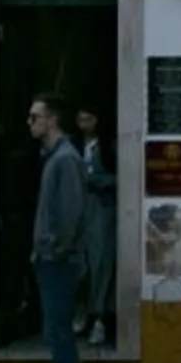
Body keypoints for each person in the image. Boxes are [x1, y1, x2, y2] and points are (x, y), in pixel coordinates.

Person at [26, 92, 87, 363]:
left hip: (59, 260)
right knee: (54, 329)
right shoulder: (52, 157)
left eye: (35, 117)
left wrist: (56, 249)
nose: (30, 123)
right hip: (49, 256)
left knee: (58, 330)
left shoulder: (66, 159)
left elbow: (70, 212)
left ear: (51, 120)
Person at [73, 105, 117, 350]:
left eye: (88, 118)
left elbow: (123, 177)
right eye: (80, 119)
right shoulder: (72, 147)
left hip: (101, 211)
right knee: (80, 267)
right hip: (78, 212)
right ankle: (82, 311)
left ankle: (99, 317)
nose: (84, 124)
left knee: (101, 265)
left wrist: (96, 181)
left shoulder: (109, 147)